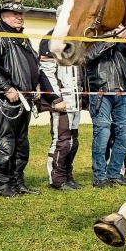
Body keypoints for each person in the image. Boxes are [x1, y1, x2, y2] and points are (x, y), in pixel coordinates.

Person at [0, 0, 62, 197]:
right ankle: (3, 185)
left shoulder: (23, 39)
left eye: (21, 14)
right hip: (6, 99)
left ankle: (18, 181)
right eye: (13, 14)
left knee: (21, 143)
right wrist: (6, 87)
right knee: (5, 142)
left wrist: (35, 85)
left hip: (25, 98)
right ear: (3, 15)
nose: (19, 17)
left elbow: (34, 65)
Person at [84, 30, 126, 188]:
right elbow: (87, 57)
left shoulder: (122, 42)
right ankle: (99, 177)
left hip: (123, 93)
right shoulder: (92, 36)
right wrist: (110, 40)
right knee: (102, 135)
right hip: (100, 93)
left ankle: (114, 174)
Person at [39, 18, 83, 191]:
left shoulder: (76, 40)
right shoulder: (50, 40)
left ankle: (67, 176)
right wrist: (56, 98)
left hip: (76, 100)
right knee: (61, 141)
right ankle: (56, 179)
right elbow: (45, 72)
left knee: (73, 141)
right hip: (61, 101)